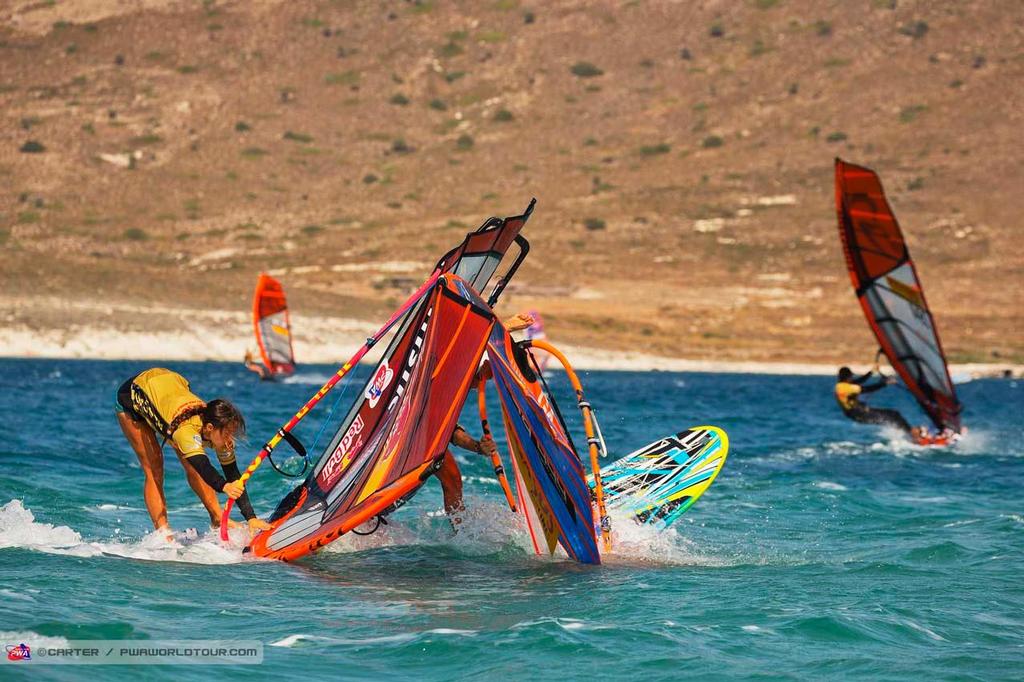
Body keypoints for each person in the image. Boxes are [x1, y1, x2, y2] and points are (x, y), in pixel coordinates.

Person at [114, 367, 272, 538]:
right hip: (133, 396)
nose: (230, 439)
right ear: (210, 428)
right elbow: (202, 466)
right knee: (155, 469)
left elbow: (233, 474)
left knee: (191, 461)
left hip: (170, 384)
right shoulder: (186, 430)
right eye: (227, 434)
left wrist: (251, 517)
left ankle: (217, 518)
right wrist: (224, 486)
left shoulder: (216, 424)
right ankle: (163, 533)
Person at [835, 363, 913, 435]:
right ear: (848, 377)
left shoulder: (840, 386)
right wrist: (885, 383)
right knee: (893, 416)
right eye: (851, 376)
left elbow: (859, 381)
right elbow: (867, 389)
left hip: (858, 413)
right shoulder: (845, 388)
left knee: (893, 416)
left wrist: (871, 372)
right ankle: (911, 433)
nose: (852, 378)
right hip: (860, 414)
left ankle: (907, 433)